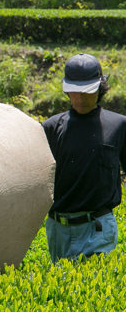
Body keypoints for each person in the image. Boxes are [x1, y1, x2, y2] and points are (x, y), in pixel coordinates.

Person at [42, 53, 126, 263]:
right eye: (74, 92)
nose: (80, 98)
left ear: (100, 87)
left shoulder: (119, 125)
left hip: (97, 227)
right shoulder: (51, 127)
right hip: (58, 228)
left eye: (86, 92)